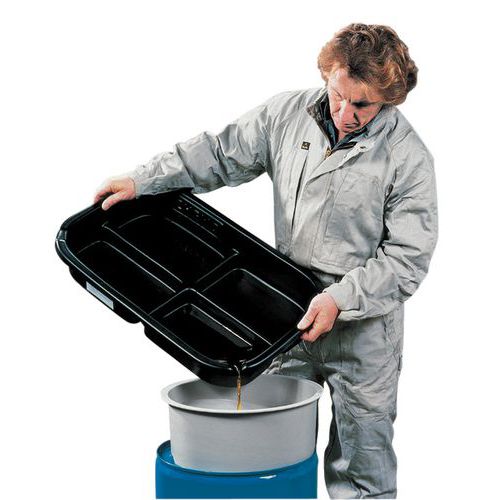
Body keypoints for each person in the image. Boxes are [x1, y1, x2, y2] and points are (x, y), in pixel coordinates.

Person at [94, 23, 438, 498]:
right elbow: (218, 153)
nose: (345, 113)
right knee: (268, 454)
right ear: (327, 75)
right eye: (338, 95)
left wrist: (340, 299)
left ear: (389, 99)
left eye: (362, 105)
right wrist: (144, 179)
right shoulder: (286, 116)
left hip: (363, 334)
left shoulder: (408, 158)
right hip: (285, 317)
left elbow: (407, 258)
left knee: (362, 469)